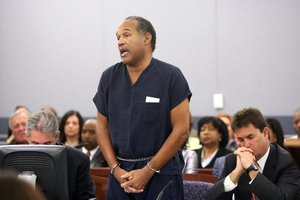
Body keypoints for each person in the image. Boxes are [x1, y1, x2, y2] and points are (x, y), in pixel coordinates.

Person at [93, 16, 191, 199]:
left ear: (147, 38)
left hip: (161, 173)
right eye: (117, 38)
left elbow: (181, 130)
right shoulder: (108, 77)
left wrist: (148, 170)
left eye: (126, 35)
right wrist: (115, 169)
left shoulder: (171, 76)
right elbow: (101, 127)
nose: (120, 42)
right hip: (120, 176)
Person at [206, 107, 300, 200]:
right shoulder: (233, 160)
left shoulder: (289, 161)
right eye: (240, 139)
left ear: (265, 133)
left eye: (250, 137)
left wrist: (251, 169)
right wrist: (236, 173)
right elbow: (210, 198)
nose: (246, 145)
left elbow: (281, 198)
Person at [26, 110, 96, 200]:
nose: (41, 150)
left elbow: (86, 197)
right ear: (27, 137)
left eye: (47, 144)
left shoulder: (79, 160)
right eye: (35, 144)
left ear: (57, 136)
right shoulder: (11, 157)